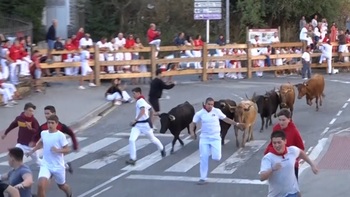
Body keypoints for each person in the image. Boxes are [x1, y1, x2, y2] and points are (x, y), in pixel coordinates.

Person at [189, 97, 244, 185]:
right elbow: (193, 123)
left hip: (215, 138)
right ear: (205, 104)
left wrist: (236, 123)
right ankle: (203, 178)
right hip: (204, 138)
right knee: (203, 157)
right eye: (209, 104)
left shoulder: (217, 111)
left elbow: (226, 119)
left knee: (216, 157)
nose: (210, 106)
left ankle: (211, 151)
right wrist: (192, 132)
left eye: (212, 104)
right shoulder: (200, 113)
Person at [259, 130, 318, 197]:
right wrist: (272, 169)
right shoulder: (268, 158)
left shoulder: (292, 151)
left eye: (279, 142)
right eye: (274, 143)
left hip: (292, 193)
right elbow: (262, 177)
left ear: (285, 141)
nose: (277, 145)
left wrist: (312, 164)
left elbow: (301, 153)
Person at [27, 115, 72, 197]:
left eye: (52, 123)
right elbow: (41, 143)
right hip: (46, 164)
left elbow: (67, 149)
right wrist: (32, 151)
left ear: (56, 124)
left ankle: (69, 194)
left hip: (58, 166)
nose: (50, 125)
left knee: (62, 186)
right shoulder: (44, 133)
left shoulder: (60, 135)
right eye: (48, 123)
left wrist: (58, 150)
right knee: (40, 185)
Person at [30, 105, 79, 174]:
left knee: (56, 163)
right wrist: (33, 143)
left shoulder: (61, 126)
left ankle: (64, 168)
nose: (46, 116)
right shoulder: (43, 127)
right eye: (45, 113)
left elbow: (71, 133)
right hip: (48, 149)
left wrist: (75, 145)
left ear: (54, 114)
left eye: (48, 113)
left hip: (58, 149)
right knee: (50, 165)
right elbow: (36, 136)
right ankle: (64, 167)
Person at [126, 87, 166, 165]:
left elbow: (143, 110)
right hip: (138, 126)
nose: (133, 95)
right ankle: (133, 159)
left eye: (134, 93)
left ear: (138, 93)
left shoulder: (140, 101)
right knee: (131, 140)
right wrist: (150, 119)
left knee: (152, 139)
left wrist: (135, 120)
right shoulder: (142, 101)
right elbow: (151, 109)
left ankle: (161, 148)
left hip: (144, 125)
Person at [264, 109, 305, 180]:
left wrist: (294, 160)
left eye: (283, 120)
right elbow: (272, 143)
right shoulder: (276, 128)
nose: (281, 122)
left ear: (289, 119)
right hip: (278, 162)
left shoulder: (294, 131)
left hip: (291, 164)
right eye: (279, 120)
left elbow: (301, 148)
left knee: (293, 185)